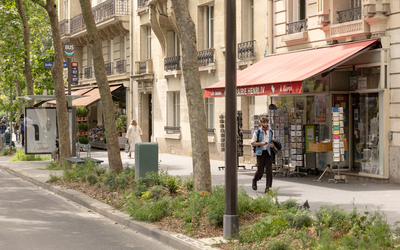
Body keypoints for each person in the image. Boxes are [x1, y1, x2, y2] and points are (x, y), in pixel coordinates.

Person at [251, 115, 275, 193]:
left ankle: (268, 187)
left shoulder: (270, 132)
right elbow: (252, 143)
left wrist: (272, 145)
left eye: (266, 123)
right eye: (264, 123)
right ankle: (255, 180)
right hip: (260, 153)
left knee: (269, 170)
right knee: (260, 170)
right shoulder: (257, 132)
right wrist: (260, 143)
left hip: (268, 153)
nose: (265, 124)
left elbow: (273, 142)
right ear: (261, 123)